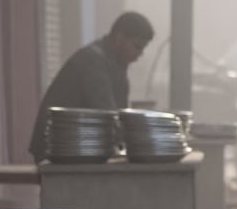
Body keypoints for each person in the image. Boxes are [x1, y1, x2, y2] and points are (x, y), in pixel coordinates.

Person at [28, 12, 155, 162]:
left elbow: (119, 116)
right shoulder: (93, 62)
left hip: (77, 146)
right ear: (119, 38)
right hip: (57, 149)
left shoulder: (115, 64)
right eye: (137, 46)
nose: (139, 54)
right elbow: (109, 114)